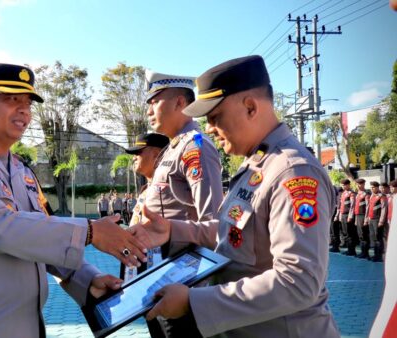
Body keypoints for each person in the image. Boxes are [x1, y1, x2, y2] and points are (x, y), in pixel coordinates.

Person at [0, 63, 147, 337]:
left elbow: (40, 237)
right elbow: (1, 229)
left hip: (28, 326)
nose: (24, 110)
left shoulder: (22, 172)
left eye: (28, 102)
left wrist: (89, 278)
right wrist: (90, 232)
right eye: (11, 99)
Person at [133, 55, 340, 337]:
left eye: (215, 117)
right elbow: (234, 234)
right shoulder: (257, 164)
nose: (207, 128)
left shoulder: (293, 171)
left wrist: (194, 302)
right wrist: (172, 229)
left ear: (251, 107)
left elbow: (298, 282)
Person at [142, 69, 224, 337]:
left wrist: (196, 293)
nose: (149, 109)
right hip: (162, 274)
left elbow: (213, 224)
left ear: (179, 102)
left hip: (184, 283)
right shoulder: (173, 147)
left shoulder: (195, 147)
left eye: (155, 101)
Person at [119, 133, 169, 281]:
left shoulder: (167, 191)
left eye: (138, 153)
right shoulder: (147, 190)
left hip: (154, 267)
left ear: (155, 154)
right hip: (137, 262)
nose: (134, 157)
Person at [365, 181, 387, 262]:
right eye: (371, 187)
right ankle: (375, 254)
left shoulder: (381, 196)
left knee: (378, 238)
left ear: (377, 187)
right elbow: (369, 208)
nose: (371, 189)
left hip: (377, 220)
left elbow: (384, 209)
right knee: (373, 238)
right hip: (371, 219)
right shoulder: (371, 196)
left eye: (373, 187)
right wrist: (367, 218)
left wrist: (381, 221)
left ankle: (379, 256)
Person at [336, 179, 357, 255]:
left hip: (348, 215)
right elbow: (341, 206)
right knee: (345, 233)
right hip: (343, 215)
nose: (343, 186)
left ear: (348, 185)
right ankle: (349, 249)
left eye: (344, 185)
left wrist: (350, 216)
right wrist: (339, 215)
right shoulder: (343, 193)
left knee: (350, 233)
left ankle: (352, 250)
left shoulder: (351, 194)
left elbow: (352, 206)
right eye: (342, 185)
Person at [353, 178, 371, 259]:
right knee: (360, 235)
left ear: (363, 184)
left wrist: (366, 219)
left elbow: (368, 207)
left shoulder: (366, 194)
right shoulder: (357, 194)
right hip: (358, 215)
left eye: (360, 184)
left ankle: (365, 253)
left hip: (363, 216)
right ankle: (362, 251)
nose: (358, 186)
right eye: (357, 184)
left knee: (364, 234)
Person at [329, 186, 343, 253]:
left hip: (334, 212)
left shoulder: (336, 193)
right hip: (331, 212)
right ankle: (334, 245)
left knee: (335, 230)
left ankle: (336, 247)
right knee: (332, 230)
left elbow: (338, 205)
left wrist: (337, 215)